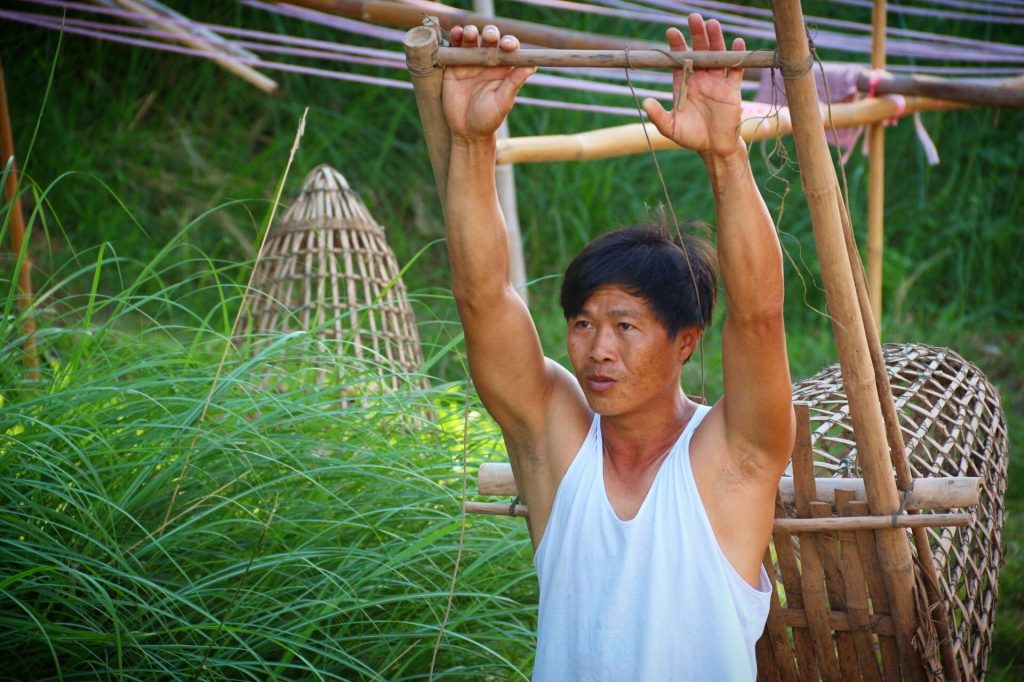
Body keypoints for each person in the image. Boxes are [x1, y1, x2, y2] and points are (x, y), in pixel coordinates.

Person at [441, 14, 794, 680]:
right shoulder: (555, 443)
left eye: (626, 326)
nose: (598, 349)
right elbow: (483, 298)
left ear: (687, 341)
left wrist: (725, 153)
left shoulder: (731, 460)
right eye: (582, 323)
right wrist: (469, 141)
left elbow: (759, 318)